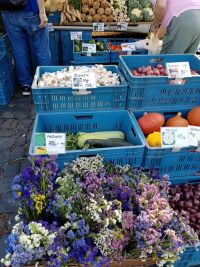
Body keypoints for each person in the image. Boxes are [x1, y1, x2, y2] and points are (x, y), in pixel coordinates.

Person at [1, 0, 51, 96]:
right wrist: (42, 11)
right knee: (41, 47)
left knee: (19, 48)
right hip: (30, 10)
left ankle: (26, 85)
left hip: (8, 11)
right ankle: (47, 82)